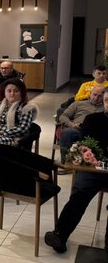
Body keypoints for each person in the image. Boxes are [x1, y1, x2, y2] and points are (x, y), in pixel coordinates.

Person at [45, 89, 108, 254]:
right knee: (80, 193)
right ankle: (60, 234)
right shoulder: (93, 119)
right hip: (94, 168)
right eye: (107, 100)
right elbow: (84, 143)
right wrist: (89, 154)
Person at [57, 85, 104, 163]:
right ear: (90, 94)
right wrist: (72, 125)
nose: (96, 98)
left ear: (103, 97)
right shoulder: (78, 104)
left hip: (96, 133)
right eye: (94, 94)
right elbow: (63, 116)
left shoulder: (105, 107)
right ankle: (66, 163)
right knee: (67, 132)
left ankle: (98, 163)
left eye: (99, 96)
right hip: (78, 130)